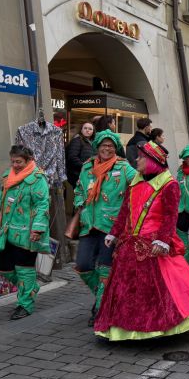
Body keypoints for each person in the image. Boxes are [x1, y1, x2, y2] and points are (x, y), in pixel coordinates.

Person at [94, 141, 189, 340]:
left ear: (152, 161)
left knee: (162, 289)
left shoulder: (169, 185)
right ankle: (124, 327)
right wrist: (114, 232)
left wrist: (162, 241)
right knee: (126, 289)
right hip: (130, 245)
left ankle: (159, 325)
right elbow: (125, 211)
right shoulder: (135, 182)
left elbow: (170, 216)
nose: (137, 160)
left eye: (141, 157)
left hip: (153, 246)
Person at [72, 130, 136, 326]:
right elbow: (79, 189)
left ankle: (100, 308)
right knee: (83, 265)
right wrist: (80, 204)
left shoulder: (123, 167)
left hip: (111, 227)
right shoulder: (87, 167)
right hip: (88, 225)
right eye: (103, 145)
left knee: (105, 270)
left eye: (111, 145)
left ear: (116, 148)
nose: (107, 148)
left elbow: (139, 185)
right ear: (97, 147)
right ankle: (107, 297)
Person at [0, 146, 50, 320]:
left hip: (28, 232)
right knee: (4, 268)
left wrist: (37, 229)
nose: (15, 165)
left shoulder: (38, 179)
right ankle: (29, 287)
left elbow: (42, 205)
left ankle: (24, 304)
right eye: (13, 161)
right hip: (7, 230)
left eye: (19, 162)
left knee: (24, 269)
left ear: (29, 161)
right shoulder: (8, 176)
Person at [66, 122, 96, 189]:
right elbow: (72, 157)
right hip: (78, 174)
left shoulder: (92, 143)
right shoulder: (77, 140)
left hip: (88, 174)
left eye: (90, 129)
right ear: (81, 130)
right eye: (85, 128)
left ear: (93, 132)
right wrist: (85, 166)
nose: (87, 130)